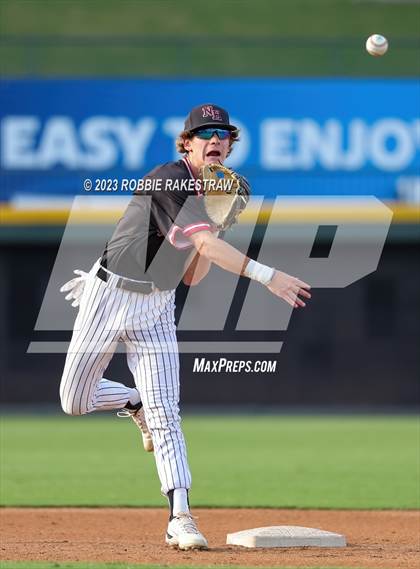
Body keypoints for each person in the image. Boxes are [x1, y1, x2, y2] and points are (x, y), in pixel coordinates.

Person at [59, 103, 311, 551]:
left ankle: (181, 516)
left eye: (223, 134)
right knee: (74, 401)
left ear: (230, 145)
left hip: (156, 305)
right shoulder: (169, 179)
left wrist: (213, 227)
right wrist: (267, 275)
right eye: (204, 133)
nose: (215, 139)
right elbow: (206, 248)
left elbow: (192, 274)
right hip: (108, 294)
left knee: (168, 414)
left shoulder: (207, 200)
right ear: (187, 143)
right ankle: (133, 402)